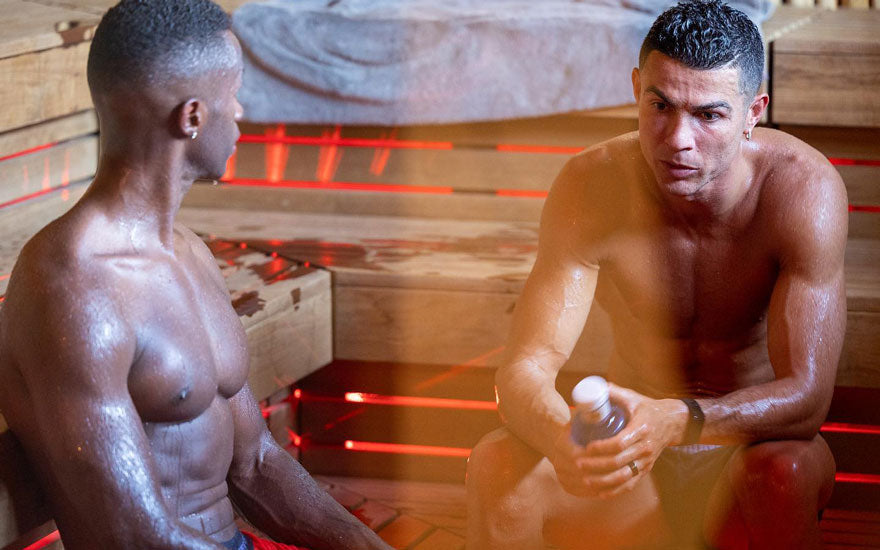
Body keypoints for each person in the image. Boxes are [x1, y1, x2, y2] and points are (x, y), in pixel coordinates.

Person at [0, 1, 393, 549]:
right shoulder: (74, 287)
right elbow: (135, 536)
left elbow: (255, 463)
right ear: (192, 117)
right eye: (232, 93)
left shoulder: (189, 254)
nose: (241, 111)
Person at [466, 1, 847, 548]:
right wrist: (559, 437)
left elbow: (808, 400)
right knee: (497, 465)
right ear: (636, 87)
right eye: (660, 105)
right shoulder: (590, 184)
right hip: (630, 460)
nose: (677, 139)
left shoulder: (800, 191)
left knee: (781, 475)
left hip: (747, 453)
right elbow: (524, 368)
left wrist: (681, 420)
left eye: (709, 115)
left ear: (753, 111)